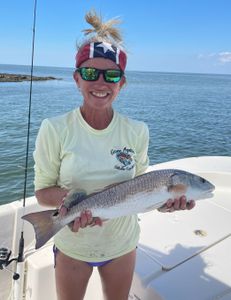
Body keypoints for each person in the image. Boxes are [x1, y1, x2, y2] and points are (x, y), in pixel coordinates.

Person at [33, 10, 195, 300]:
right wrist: (73, 204)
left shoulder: (137, 131)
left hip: (122, 246)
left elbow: (141, 190)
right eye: (90, 73)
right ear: (76, 79)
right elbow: (43, 193)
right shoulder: (55, 129)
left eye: (111, 75)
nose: (100, 83)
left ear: (122, 83)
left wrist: (164, 203)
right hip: (73, 246)